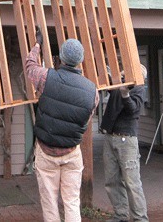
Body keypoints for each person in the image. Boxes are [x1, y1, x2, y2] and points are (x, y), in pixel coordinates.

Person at [25, 31, 99, 222]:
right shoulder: (93, 92)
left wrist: (37, 45)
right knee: (72, 202)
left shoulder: (45, 78)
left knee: (50, 202)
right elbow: (85, 120)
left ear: (61, 59)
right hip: (72, 152)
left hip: (46, 151)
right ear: (80, 60)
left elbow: (30, 65)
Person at [100, 65, 149, 222]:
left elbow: (133, 110)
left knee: (132, 182)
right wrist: (106, 73)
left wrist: (125, 94)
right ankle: (120, 215)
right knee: (112, 180)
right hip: (110, 136)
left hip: (126, 139)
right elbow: (109, 88)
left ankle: (140, 219)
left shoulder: (139, 88)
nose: (124, 75)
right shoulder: (119, 83)